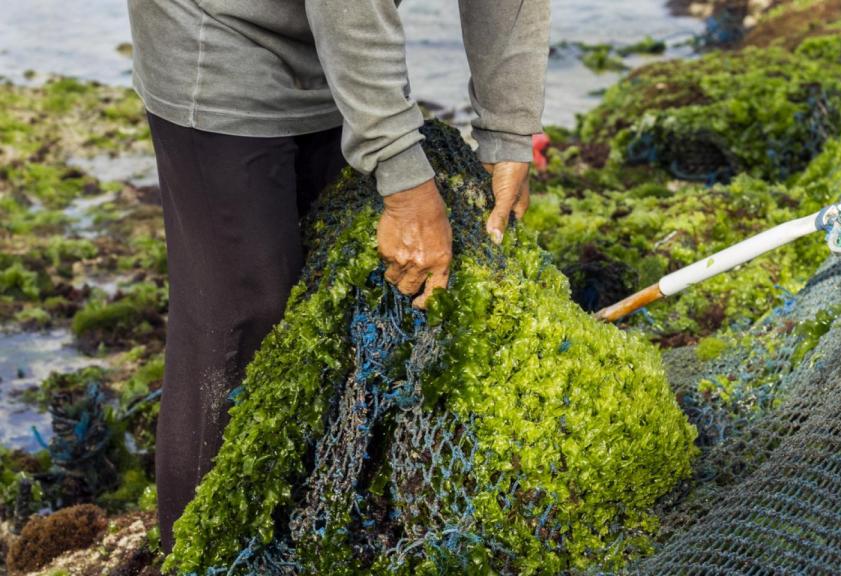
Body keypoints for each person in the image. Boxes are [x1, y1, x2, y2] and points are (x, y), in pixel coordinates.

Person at [125, 0, 550, 554]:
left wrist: (508, 131)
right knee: (243, 319)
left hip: (337, 47)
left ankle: (291, 541)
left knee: (325, 312)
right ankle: (193, 557)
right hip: (218, 30)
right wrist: (402, 177)